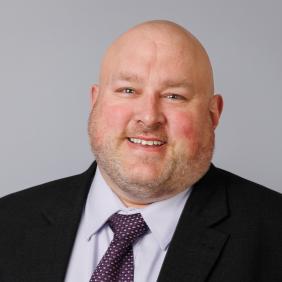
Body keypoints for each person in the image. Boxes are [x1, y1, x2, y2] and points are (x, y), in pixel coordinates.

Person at [0, 20, 281, 282]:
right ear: (95, 101)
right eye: (127, 90)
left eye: (174, 96)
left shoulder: (273, 232)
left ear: (213, 114)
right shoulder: (8, 221)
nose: (148, 117)